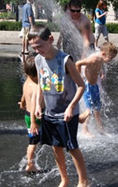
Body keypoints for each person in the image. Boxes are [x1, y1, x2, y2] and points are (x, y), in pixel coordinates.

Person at [28, 25, 89, 187]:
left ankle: (83, 181)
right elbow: (41, 84)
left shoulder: (64, 60)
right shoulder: (38, 60)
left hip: (67, 113)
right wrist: (38, 107)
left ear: (51, 40)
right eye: (34, 48)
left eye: (39, 46)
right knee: (56, 146)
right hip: (50, 112)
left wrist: (71, 107)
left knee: (72, 147)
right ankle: (64, 179)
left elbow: (81, 85)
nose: (37, 50)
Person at [75, 42, 118, 137]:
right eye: (110, 58)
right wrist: (79, 78)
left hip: (94, 86)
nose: (111, 60)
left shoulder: (100, 58)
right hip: (88, 86)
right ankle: (84, 130)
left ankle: (99, 127)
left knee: (97, 107)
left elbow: (99, 64)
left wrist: (101, 72)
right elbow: (78, 63)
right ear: (103, 54)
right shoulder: (94, 59)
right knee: (89, 109)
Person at [18, 53, 42, 172]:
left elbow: (23, 96)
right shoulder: (36, 87)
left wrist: (22, 103)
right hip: (34, 117)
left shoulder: (27, 81)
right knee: (33, 142)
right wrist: (33, 122)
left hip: (27, 115)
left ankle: (30, 162)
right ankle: (30, 164)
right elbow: (33, 106)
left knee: (32, 141)